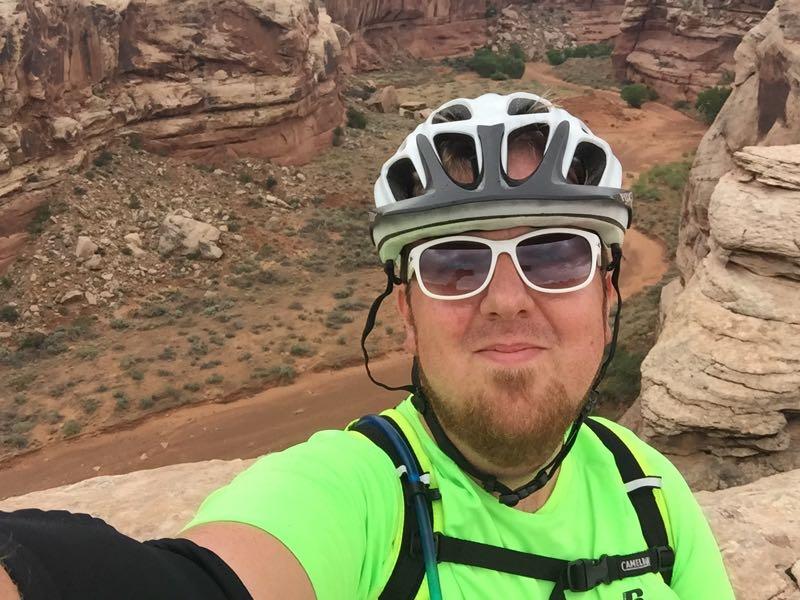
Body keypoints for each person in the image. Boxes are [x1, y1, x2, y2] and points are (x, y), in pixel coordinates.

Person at [0, 92, 734, 599]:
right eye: (453, 265)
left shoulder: (651, 494)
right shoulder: (356, 492)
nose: (507, 299)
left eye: (555, 255)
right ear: (407, 315)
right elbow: (202, 582)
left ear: (608, 295)